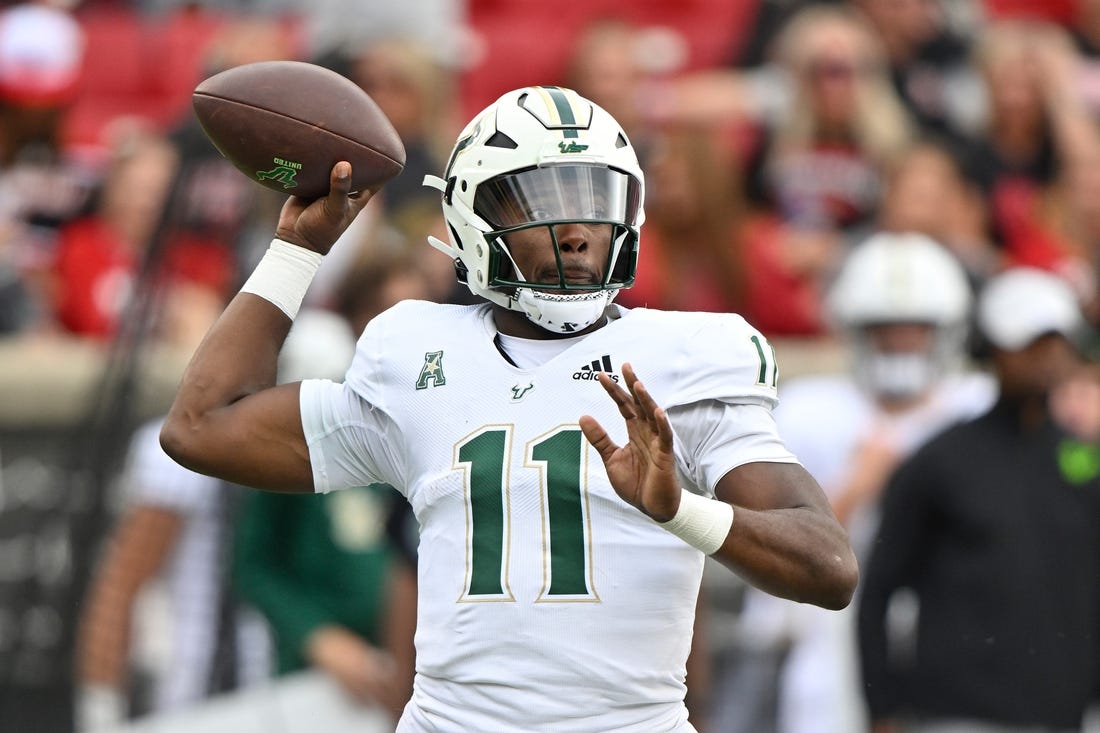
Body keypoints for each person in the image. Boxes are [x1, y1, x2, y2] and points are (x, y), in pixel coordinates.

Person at [159, 85, 858, 733]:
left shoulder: (686, 355)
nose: (577, 228)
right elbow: (200, 427)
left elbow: (828, 566)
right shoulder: (414, 352)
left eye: (595, 199)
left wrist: (681, 511)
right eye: (542, 200)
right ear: (472, 215)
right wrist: (299, 248)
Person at [718, 232, 996, 733]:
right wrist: (859, 482)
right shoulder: (811, 410)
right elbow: (780, 549)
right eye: (884, 330)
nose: (899, 342)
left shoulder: (979, 405)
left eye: (915, 330)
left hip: (952, 614)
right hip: (833, 618)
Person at [858, 266, 1100, 733]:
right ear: (991, 348)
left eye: (1053, 342)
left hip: (1064, 714)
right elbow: (878, 591)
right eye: (1027, 343)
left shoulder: (1082, 462)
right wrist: (881, 705)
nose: (1044, 357)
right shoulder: (937, 462)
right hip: (956, 712)